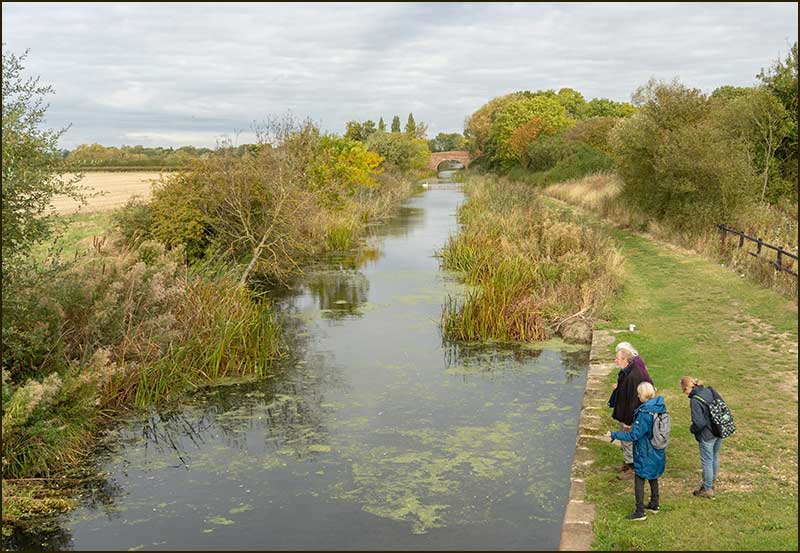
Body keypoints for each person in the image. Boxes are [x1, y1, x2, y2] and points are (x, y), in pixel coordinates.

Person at [607, 382, 666, 521]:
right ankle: (654, 504)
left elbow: (634, 436)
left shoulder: (645, 413)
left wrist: (614, 435)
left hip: (645, 451)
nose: (637, 396)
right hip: (657, 448)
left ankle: (640, 512)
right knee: (653, 476)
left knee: (639, 478)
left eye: (639, 394)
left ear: (643, 395)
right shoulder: (659, 408)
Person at [608, 344, 649, 480]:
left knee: (628, 441)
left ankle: (632, 469)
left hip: (628, 416)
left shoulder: (632, 376)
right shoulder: (627, 371)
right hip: (623, 412)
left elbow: (633, 401)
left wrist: (628, 421)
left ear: (625, 360)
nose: (615, 361)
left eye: (617, 358)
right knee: (625, 441)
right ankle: (627, 463)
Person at [681, 376, 721, 498]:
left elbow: (699, 423)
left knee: (707, 460)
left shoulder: (695, 400)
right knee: (714, 457)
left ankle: (708, 489)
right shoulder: (709, 390)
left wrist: (692, 429)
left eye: (684, 390)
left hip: (707, 434)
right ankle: (712, 481)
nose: (685, 393)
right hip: (718, 430)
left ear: (688, 387)